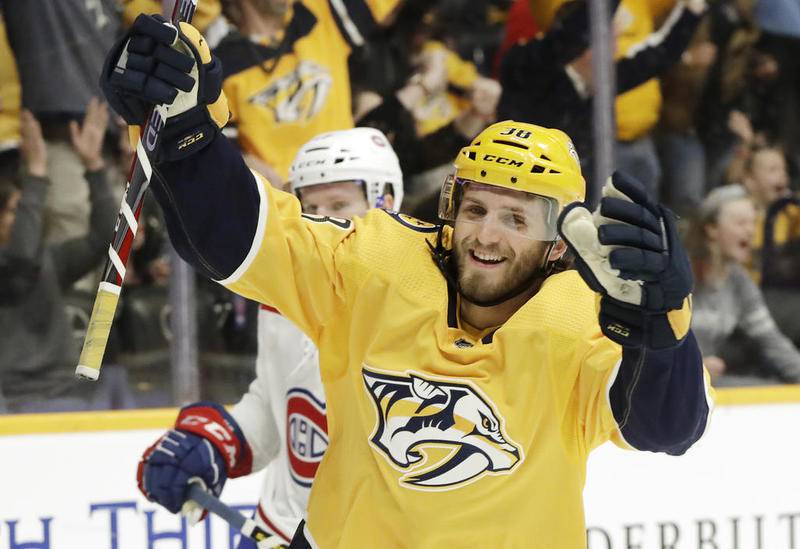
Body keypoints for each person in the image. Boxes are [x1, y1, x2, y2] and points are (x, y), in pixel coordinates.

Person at [104, 17, 711, 548]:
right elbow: (236, 234)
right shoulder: (374, 263)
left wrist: (660, 332)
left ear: (559, 242)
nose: (486, 235)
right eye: (476, 209)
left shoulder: (587, 318)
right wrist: (187, 135)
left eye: (515, 218)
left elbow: (668, 429)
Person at [228, 127, 403, 547]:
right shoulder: (284, 293)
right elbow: (279, 408)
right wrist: (215, 441)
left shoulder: (424, 302)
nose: (323, 221)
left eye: (341, 205)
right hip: (278, 529)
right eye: (312, 206)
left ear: (386, 202)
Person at [0, 106, 116, 413]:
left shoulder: (48, 259)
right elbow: (20, 265)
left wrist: (93, 167)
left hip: (64, 393)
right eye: (15, 209)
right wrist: (37, 172)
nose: (26, 216)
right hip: (8, 401)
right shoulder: (21, 263)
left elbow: (105, 237)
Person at [686, 184, 800, 385]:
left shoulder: (739, 281)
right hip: (674, 381)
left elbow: (772, 341)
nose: (750, 231)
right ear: (711, 228)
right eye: (740, 223)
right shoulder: (681, 275)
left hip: (704, 381)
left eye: (752, 223)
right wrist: (694, 363)